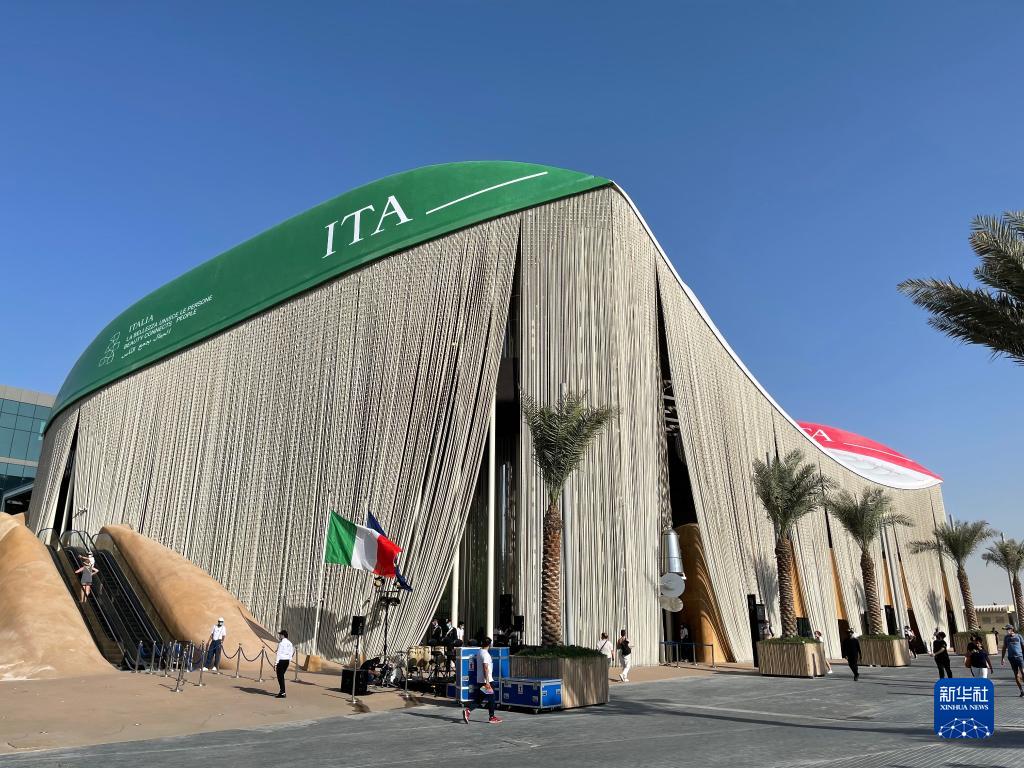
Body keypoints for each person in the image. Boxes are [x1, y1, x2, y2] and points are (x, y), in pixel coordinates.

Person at [462, 637, 500, 724]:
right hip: (486, 681)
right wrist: (487, 682)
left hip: (480, 680)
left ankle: (468, 711)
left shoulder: (479, 652)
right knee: (491, 698)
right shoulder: (486, 654)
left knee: (480, 699)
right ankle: (492, 717)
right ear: (489, 644)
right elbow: (485, 667)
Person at [1000, 625, 1024, 697]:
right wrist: (1002, 658)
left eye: (1007, 629)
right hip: (1011, 658)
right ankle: (1021, 691)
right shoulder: (1006, 637)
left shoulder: (1019, 636)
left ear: (1011, 629)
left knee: (1023, 672)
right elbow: (1004, 648)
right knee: (1016, 674)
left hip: (1019, 657)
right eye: (1006, 629)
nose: (1007, 631)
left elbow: (1023, 646)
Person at [275, 629, 294, 698]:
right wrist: (289, 660)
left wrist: (276, 663)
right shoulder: (290, 643)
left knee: (280, 676)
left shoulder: (281, 643)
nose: (279, 636)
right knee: (281, 675)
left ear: (283, 635)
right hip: (287, 661)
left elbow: (279, 653)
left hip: (281, 660)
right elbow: (291, 652)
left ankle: (282, 692)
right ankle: (282, 691)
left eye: (280, 635)